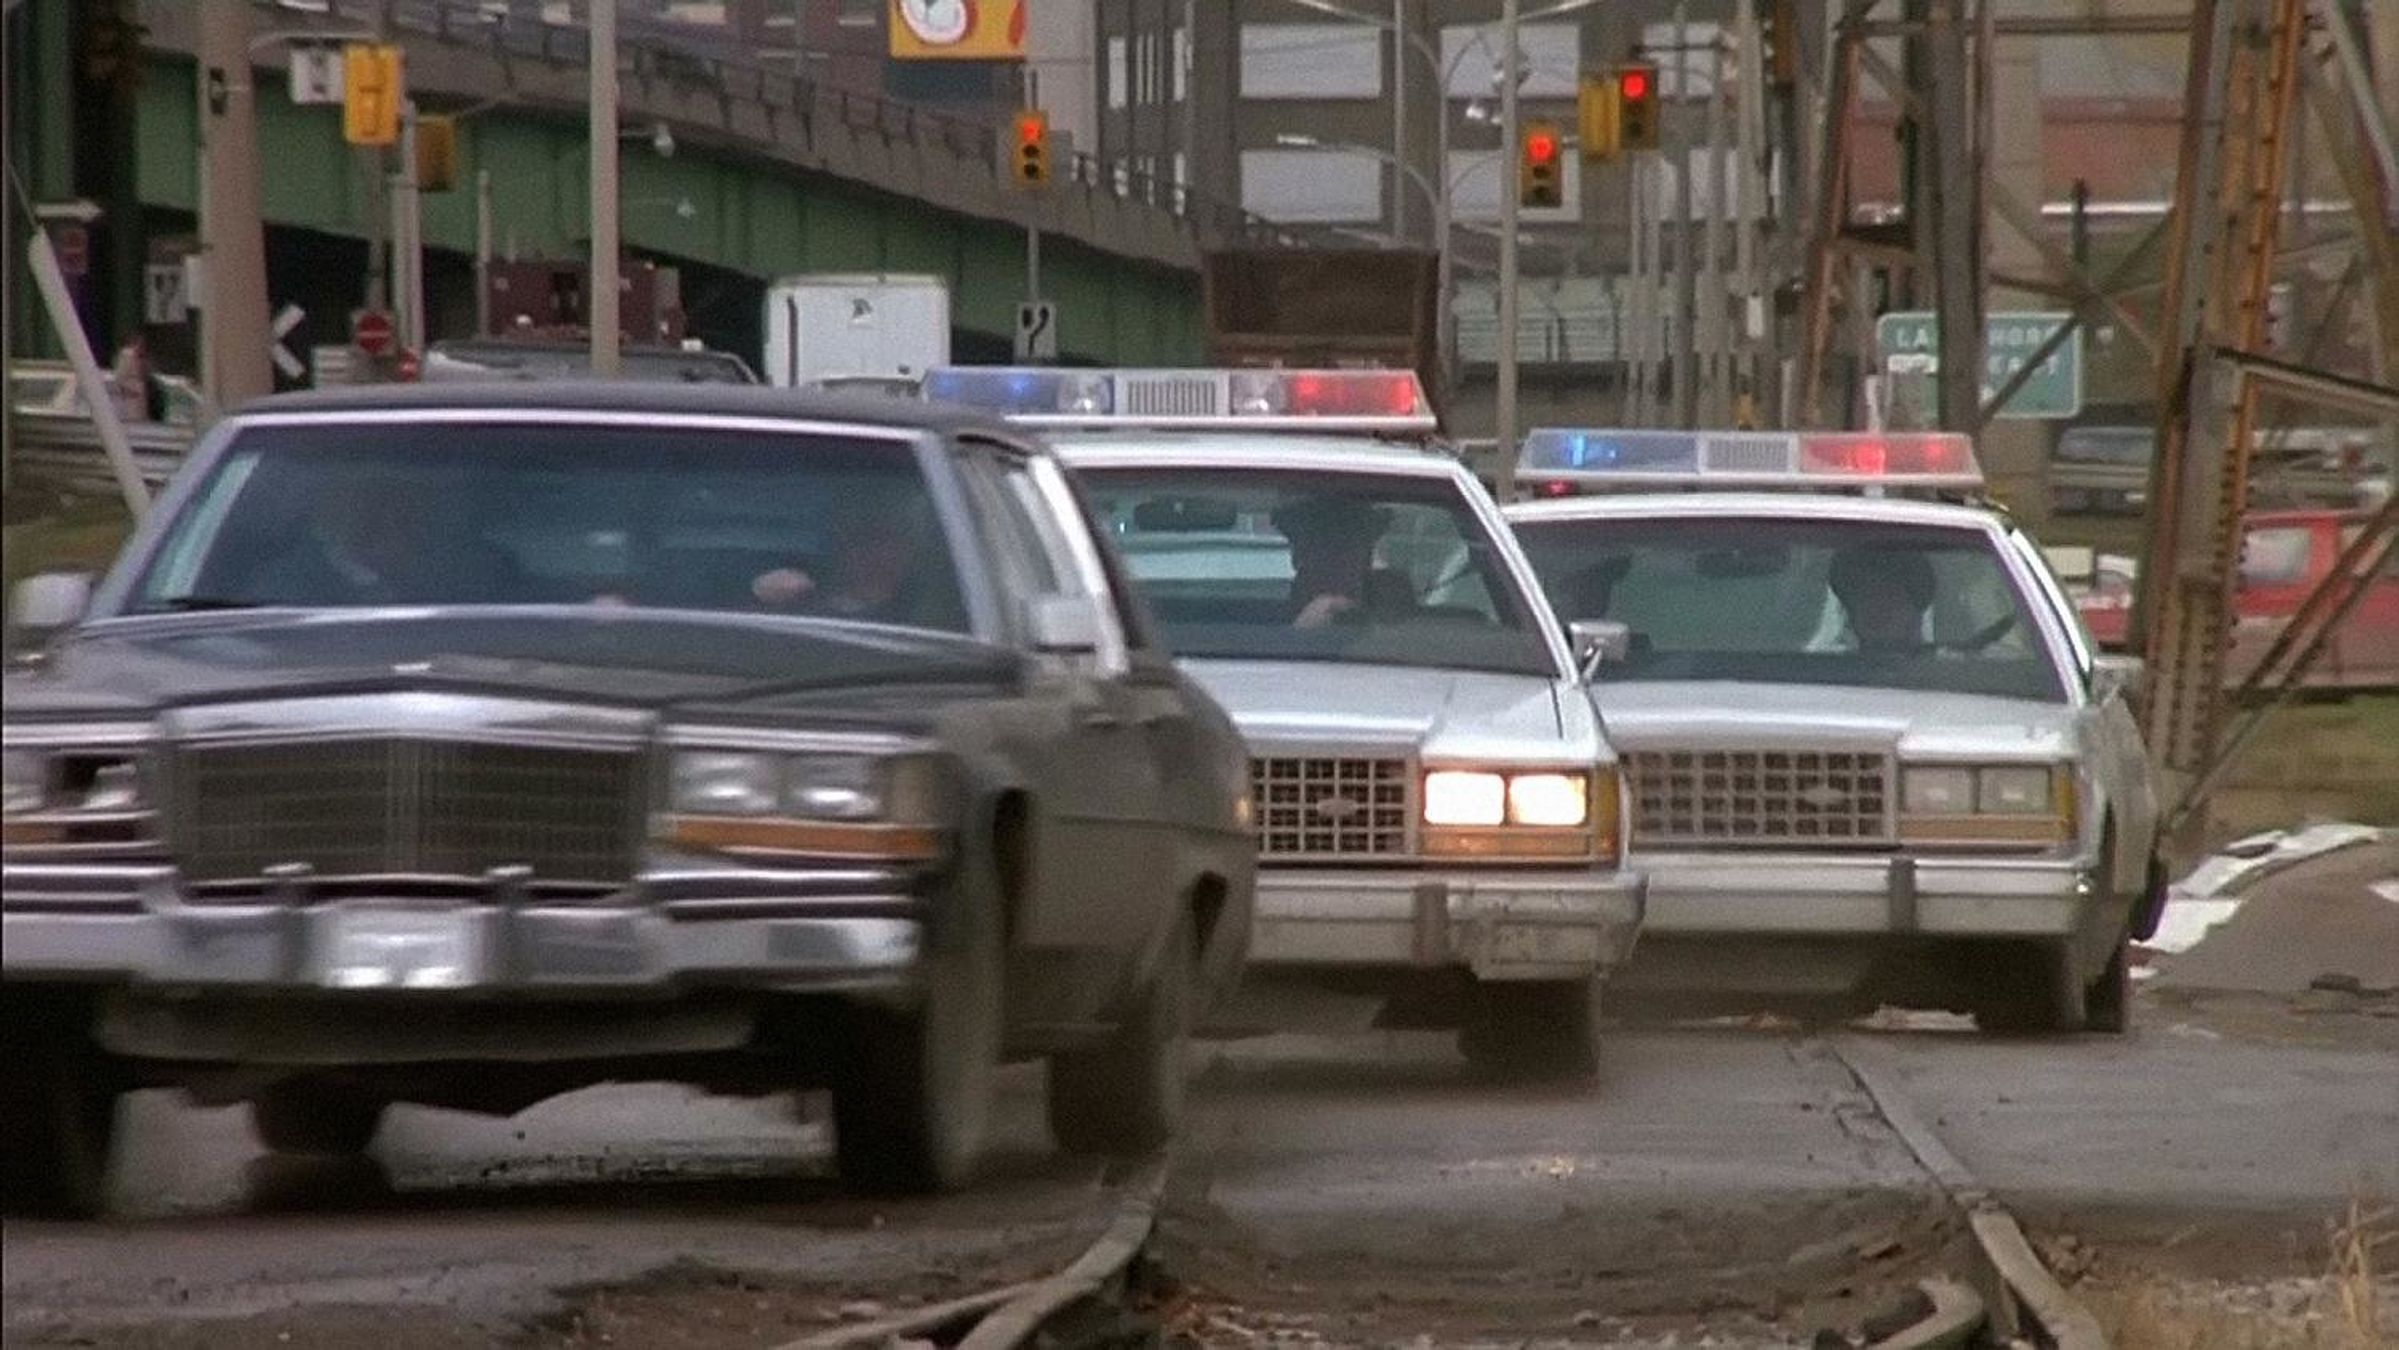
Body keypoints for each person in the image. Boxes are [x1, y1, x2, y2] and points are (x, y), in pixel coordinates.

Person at [750, 490, 939, 623]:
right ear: (840, 547)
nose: (878, 555)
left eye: (891, 540)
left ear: (912, 549)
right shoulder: (798, 602)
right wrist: (765, 596)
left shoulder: (934, 613)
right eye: (863, 540)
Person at [1272, 496, 1396, 629]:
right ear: (1299, 555)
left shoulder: (1391, 621)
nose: (1337, 557)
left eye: (1349, 545)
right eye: (1323, 545)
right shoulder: (1264, 627)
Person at [1829, 545, 1937, 654]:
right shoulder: (1830, 665)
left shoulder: (1941, 664)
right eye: (1867, 595)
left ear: (1914, 611)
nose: (1876, 605)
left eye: (1890, 595)